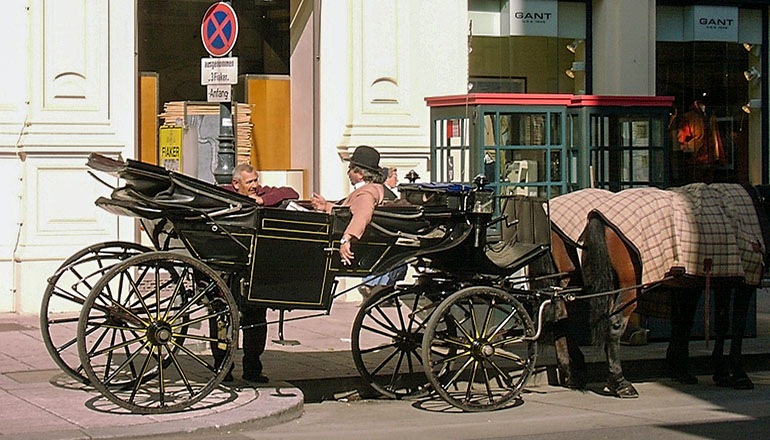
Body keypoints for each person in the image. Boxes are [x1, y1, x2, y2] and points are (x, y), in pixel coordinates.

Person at [216, 163, 300, 383]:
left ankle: (252, 368)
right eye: (249, 182)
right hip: (226, 269)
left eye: (255, 180)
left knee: (256, 320)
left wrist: (261, 201)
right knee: (222, 320)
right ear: (236, 184)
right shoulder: (224, 193)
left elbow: (290, 193)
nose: (254, 185)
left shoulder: (263, 192)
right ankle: (222, 367)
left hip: (254, 269)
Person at [310, 145, 386, 266]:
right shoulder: (367, 190)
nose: (348, 173)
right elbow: (347, 211)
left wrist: (346, 239)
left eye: (350, 168)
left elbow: (362, 214)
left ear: (360, 174)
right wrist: (325, 206)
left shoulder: (366, 193)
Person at [359, 167, 407, 299]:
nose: (396, 179)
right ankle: (379, 290)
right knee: (392, 261)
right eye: (394, 177)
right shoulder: (386, 194)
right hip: (386, 234)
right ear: (387, 178)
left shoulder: (384, 192)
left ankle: (374, 288)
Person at [677, 96, 726, 184]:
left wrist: (719, 157)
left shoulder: (711, 117)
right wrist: (693, 147)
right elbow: (681, 141)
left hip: (710, 160)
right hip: (695, 161)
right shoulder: (689, 117)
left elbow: (716, 138)